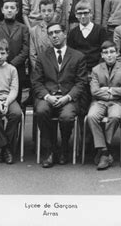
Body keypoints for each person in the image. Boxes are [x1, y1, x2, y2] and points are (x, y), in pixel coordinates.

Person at [32, 22, 87, 168]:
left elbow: (81, 82)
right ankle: (50, 150)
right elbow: (36, 81)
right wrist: (47, 96)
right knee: (41, 111)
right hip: (48, 96)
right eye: (50, 33)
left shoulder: (78, 56)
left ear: (65, 33)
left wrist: (67, 97)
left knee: (67, 117)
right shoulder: (43, 57)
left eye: (57, 32)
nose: (54, 36)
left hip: (68, 97)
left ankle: (64, 147)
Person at [86, 41, 121, 170]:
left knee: (115, 116)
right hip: (100, 102)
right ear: (102, 55)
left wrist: (109, 90)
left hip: (119, 103)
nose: (109, 55)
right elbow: (94, 91)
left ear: (117, 53)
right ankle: (105, 151)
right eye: (106, 53)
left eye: (112, 52)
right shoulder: (96, 69)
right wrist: (112, 93)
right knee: (91, 116)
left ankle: (102, 149)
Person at [0, 0, 29, 105]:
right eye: (6, 7)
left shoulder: (23, 28)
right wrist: (3, 62)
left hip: (17, 68)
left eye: (12, 7)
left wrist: (12, 64)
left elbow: (25, 49)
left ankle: (17, 121)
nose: (9, 10)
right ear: (2, 10)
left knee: (16, 102)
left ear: (17, 10)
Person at [67, 0, 108, 72]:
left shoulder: (100, 30)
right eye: (79, 13)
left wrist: (99, 69)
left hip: (98, 68)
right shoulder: (73, 33)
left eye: (85, 13)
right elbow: (71, 54)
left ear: (91, 13)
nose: (82, 16)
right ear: (76, 15)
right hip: (79, 69)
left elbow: (105, 51)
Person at [29, 0, 56, 70]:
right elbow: (33, 54)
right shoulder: (34, 31)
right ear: (40, 12)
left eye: (49, 10)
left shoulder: (60, 29)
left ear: (54, 11)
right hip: (40, 69)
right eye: (43, 11)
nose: (46, 13)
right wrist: (38, 71)